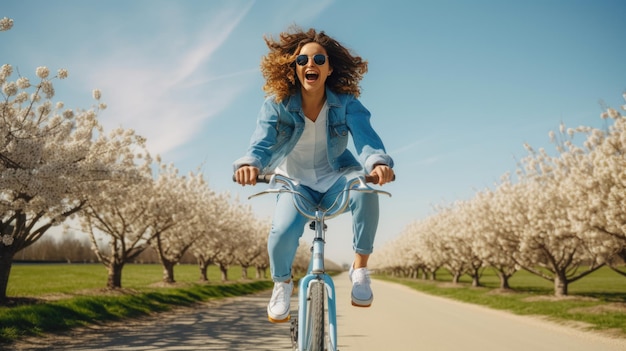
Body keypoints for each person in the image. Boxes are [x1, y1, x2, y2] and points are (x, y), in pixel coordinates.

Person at [233, 26, 395, 323]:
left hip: (334, 180)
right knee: (281, 231)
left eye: (319, 60)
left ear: (329, 68)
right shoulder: (277, 105)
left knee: (364, 189)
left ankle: (359, 267)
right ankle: (282, 284)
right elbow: (261, 142)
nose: (311, 65)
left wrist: (377, 164)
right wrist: (250, 164)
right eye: (303, 60)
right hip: (294, 184)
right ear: (293, 68)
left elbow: (366, 139)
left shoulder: (346, 104)